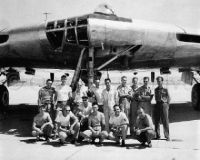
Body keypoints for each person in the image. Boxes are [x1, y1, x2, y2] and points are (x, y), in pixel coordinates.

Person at [153, 76, 171, 141]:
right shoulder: (156, 89)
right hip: (157, 104)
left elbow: (169, 98)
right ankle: (157, 135)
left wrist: (167, 105)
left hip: (164, 105)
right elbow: (155, 98)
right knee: (156, 121)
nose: (159, 82)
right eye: (158, 81)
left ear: (162, 81)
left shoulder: (165, 89)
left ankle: (167, 135)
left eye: (160, 81)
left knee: (165, 121)